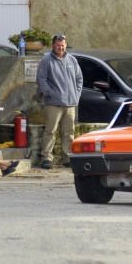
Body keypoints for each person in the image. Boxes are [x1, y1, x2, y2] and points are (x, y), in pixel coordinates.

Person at [36, 34, 82, 169]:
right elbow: (41, 80)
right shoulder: (46, 60)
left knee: (69, 132)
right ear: (53, 45)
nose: (60, 47)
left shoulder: (72, 60)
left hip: (70, 103)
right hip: (53, 104)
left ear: (66, 45)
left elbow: (79, 79)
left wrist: (77, 94)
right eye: (58, 45)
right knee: (50, 131)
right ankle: (46, 158)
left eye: (62, 45)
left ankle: (67, 157)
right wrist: (50, 93)